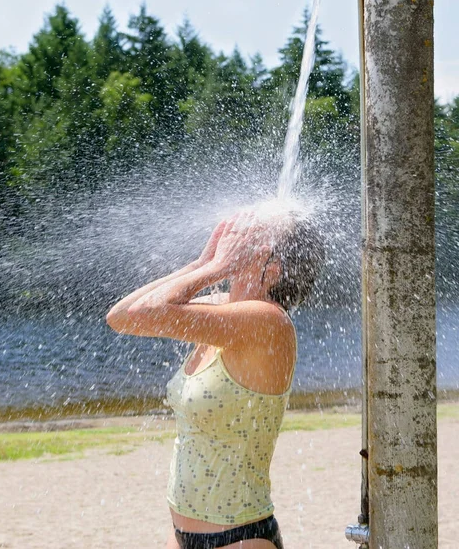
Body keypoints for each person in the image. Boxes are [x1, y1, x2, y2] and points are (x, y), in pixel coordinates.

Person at [106, 210, 324, 549]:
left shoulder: (267, 322)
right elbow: (122, 317)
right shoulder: (224, 309)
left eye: (253, 240)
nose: (238, 241)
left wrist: (216, 268)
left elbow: (146, 314)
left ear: (273, 270)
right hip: (181, 533)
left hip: (238, 538)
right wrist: (199, 265)